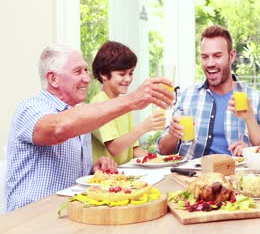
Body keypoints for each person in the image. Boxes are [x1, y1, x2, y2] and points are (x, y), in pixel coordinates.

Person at [6, 44, 174, 211]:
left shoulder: (80, 112)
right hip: (32, 216)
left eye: (86, 70)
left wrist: (94, 168)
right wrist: (131, 100)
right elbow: (57, 129)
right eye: (78, 72)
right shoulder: (30, 108)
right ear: (53, 79)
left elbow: (75, 173)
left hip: (72, 210)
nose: (87, 78)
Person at [157, 25, 260, 159]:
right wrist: (172, 134)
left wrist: (252, 152)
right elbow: (163, 151)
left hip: (237, 177)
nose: (210, 63)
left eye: (217, 56)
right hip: (192, 176)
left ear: (232, 56)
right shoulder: (187, 97)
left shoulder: (257, 100)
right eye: (205, 57)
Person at [90, 41, 166, 165]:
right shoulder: (98, 104)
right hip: (106, 178)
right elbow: (114, 148)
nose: (128, 79)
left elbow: (134, 149)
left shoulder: (124, 103)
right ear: (103, 74)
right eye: (122, 74)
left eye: (130, 73)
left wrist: (162, 162)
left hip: (125, 176)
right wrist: (143, 127)